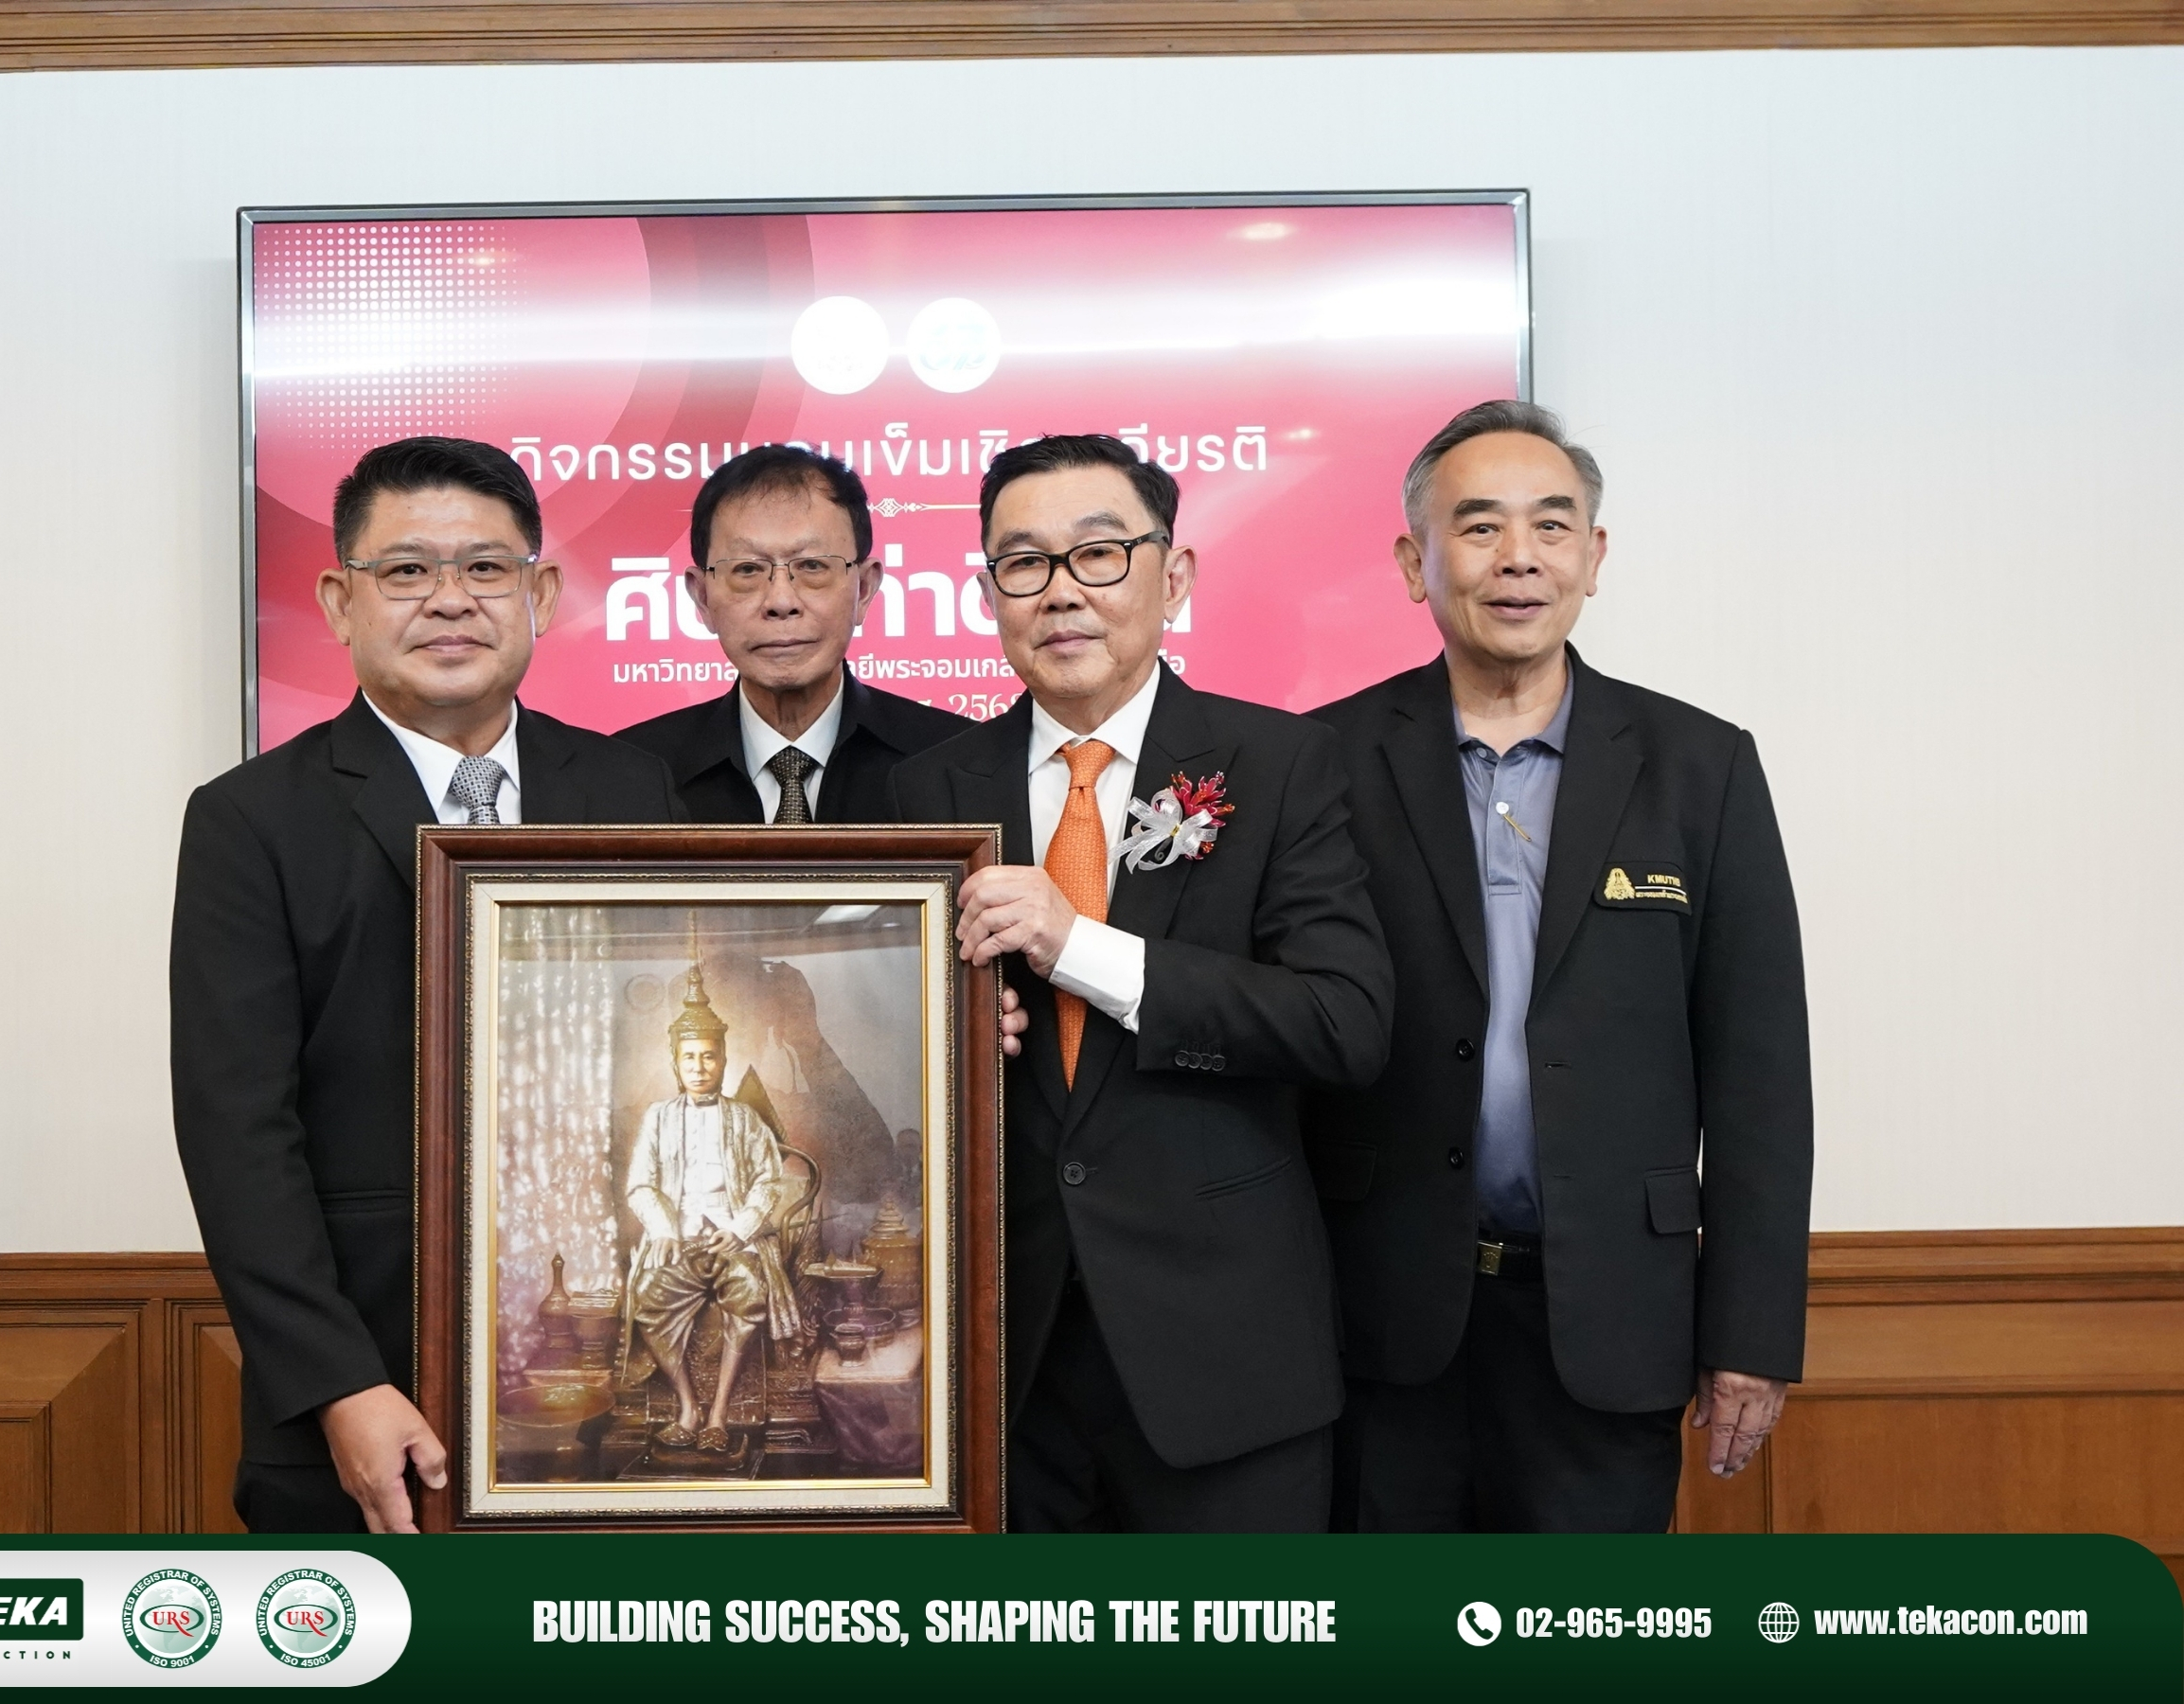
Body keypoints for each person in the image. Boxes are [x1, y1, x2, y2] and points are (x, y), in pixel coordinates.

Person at [1305, 400, 1812, 1533]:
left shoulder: (1701, 767)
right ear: (1415, 563)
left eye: (1551, 524)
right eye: (1479, 526)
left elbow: (1761, 1077)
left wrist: (1750, 1331)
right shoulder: (1321, 762)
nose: (1519, 557)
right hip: (1378, 1322)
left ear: (1594, 555)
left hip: (1612, 1325)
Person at [170, 436, 684, 1535]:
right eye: (407, 570)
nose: (451, 599)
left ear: (541, 594)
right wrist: (339, 1385)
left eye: (486, 568)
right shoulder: (250, 822)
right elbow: (236, 1132)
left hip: (625, 1373)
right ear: (339, 601)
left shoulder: (637, 790)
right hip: (375, 1385)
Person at [891, 434, 1393, 1531]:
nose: (1061, 591)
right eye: (1024, 563)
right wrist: (942, 1036)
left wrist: (1078, 948)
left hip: (1224, 1356)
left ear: (1175, 577)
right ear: (987, 594)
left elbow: (1343, 1022)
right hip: (1001, 1365)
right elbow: (887, 1066)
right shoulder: (925, 792)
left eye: (1098, 554)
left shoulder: (1279, 764)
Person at [617, 445, 968, 823]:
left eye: (812, 566)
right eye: (747, 569)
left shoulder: (957, 764)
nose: (781, 602)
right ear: (702, 597)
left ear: (864, 589)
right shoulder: (628, 775)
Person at [619, 961, 804, 1454]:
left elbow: (768, 1182)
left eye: (708, 1057)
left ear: (723, 1060)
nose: (699, 1067)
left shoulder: (745, 1119)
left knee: (750, 1293)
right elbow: (641, 1185)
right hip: (676, 1238)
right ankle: (688, 1407)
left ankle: (719, 1413)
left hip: (731, 1237)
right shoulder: (658, 1118)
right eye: (689, 1058)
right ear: (675, 1064)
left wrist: (740, 1230)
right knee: (649, 1299)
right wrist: (663, 1230)